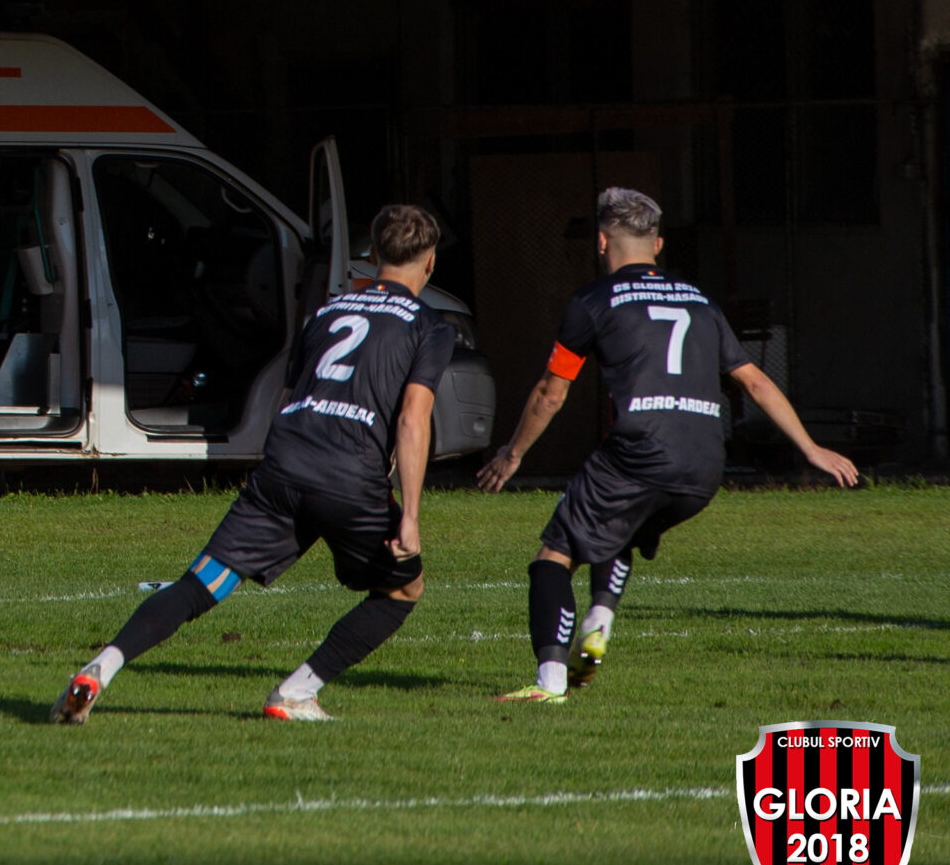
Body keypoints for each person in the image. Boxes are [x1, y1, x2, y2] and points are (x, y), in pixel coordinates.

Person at [51, 203, 452, 725]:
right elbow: (413, 419)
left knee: (202, 582)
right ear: (431, 263)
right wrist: (412, 515)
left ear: (372, 254)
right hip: (348, 476)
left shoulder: (326, 313)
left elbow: (286, 397)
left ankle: (100, 667)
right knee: (403, 587)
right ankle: (296, 691)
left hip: (284, 463)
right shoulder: (429, 326)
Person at [479, 187, 858, 704]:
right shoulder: (700, 300)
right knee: (619, 531)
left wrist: (513, 453)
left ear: (599, 241)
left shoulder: (592, 302)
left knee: (554, 556)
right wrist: (811, 449)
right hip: (704, 466)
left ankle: (549, 684)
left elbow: (551, 393)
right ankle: (600, 617)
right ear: (657, 244)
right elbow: (756, 382)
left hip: (639, 452)